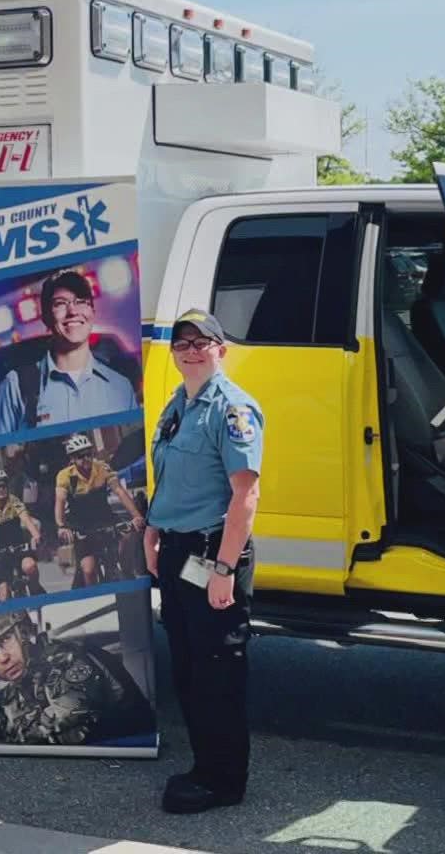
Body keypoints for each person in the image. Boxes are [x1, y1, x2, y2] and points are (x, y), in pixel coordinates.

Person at [143, 309, 264, 814]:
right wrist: (152, 529)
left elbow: (246, 496)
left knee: (218, 671)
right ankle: (203, 767)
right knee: (189, 669)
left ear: (222, 350)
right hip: (175, 549)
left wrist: (224, 569)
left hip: (213, 553)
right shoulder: (179, 405)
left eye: (203, 342)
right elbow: (171, 478)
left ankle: (224, 781)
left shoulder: (232, 410)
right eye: (182, 342)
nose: (191, 350)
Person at [0, 609, 155, 746]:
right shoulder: (6, 698)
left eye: (5, 639)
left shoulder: (69, 659)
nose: (3, 657)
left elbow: (68, 730)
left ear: (24, 633)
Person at [0, 271, 138, 436]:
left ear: (92, 311)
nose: (72, 311)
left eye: (81, 301)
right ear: (46, 318)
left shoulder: (121, 387)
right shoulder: (15, 387)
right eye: (60, 303)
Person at [55, 431, 146, 586]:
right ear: (72, 459)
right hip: (81, 526)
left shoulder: (102, 468)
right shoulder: (65, 476)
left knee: (129, 534)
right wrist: (62, 526)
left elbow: (120, 493)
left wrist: (136, 516)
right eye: (80, 456)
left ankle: (126, 569)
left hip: (105, 518)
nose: (86, 459)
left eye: (88, 454)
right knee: (89, 570)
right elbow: (60, 503)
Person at [0, 467, 44, 601]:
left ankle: (36, 591)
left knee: (30, 567)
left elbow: (26, 520)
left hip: (18, 546)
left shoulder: (14, 501)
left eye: (3, 486)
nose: (1, 490)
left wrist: (35, 535)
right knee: (4, 593)